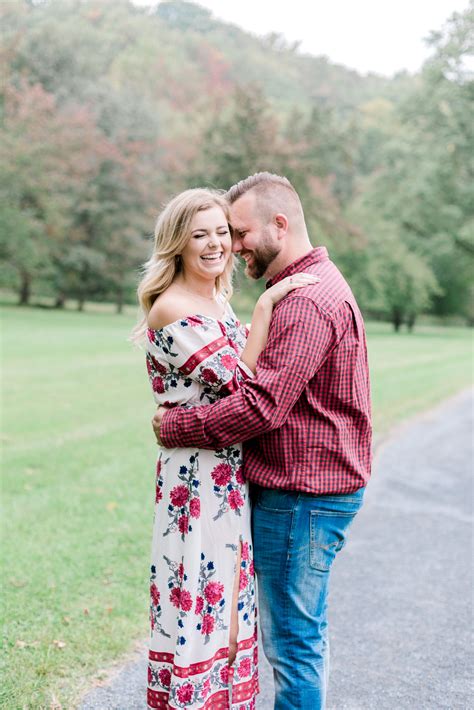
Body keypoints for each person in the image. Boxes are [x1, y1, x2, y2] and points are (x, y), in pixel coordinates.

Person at [153, 172, 372, 710]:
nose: (232, 243)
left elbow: (262, 406)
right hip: (289, 490)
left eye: (238, 231)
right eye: (212, 232)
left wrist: (175, 427)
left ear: (279, 225)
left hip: (303, 496)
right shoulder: (300, 289)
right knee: (285, 637)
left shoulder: (304, 301)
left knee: (293, 644)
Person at [132, 187, 318, 710]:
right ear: (177, 244)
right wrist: (264, 309)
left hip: (229, 472)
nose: (216, 245)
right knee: (200, 596)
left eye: (223, 233)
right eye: (200, 235)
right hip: (195, 479)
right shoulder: (171, 308)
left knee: (228, 608)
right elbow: (241, 389)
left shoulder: (215, 300)